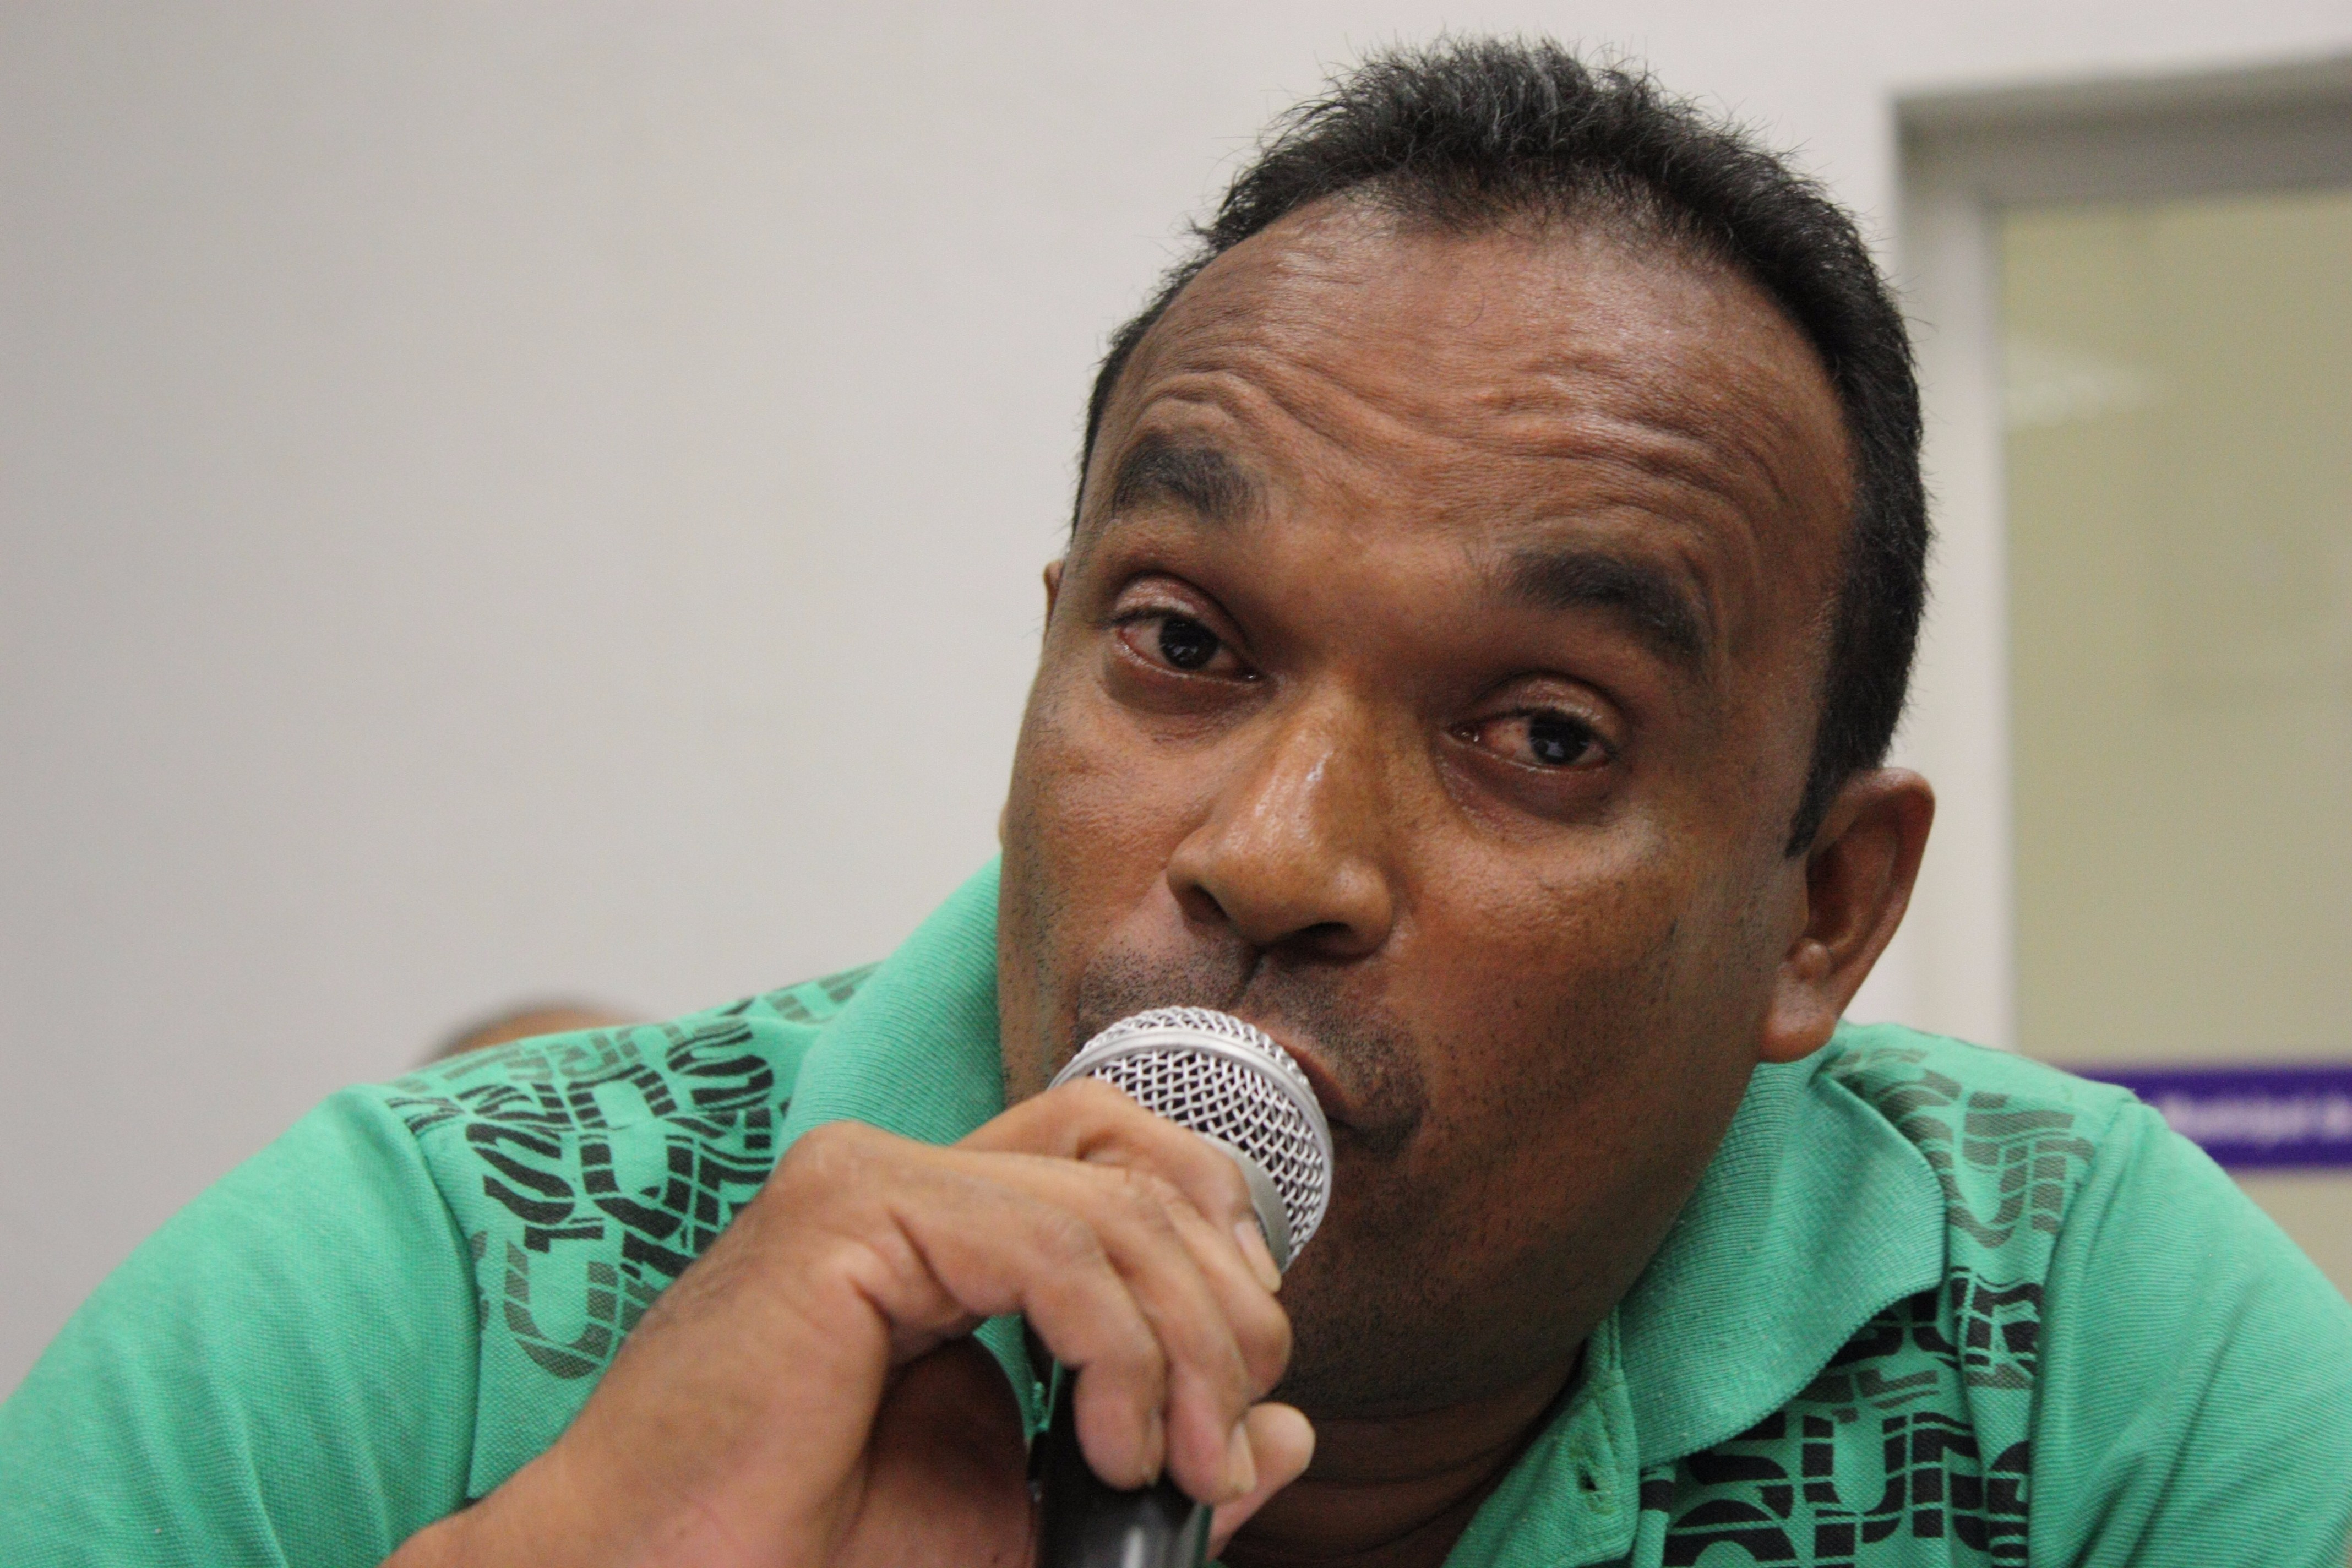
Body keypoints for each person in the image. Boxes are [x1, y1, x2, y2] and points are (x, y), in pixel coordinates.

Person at [4, 38, 2348, 1568]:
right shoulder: (420, 1284)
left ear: (1821, 910)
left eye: (1544, 732)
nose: (1274, 851)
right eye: (1185, 646)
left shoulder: (2091, 1361)